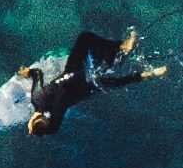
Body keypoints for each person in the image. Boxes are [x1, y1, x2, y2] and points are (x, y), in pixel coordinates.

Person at [18, 28, 168, 136]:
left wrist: (29, 73)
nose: (46, 119)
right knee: (88, 42)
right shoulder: (39, 101)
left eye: (43, 120)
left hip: (80, 81)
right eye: (44, 121)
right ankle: (131, 57)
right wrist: (28, 72)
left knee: (108, 75)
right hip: (77, 79)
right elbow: (37, 73)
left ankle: (130, 55)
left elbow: (38, 75)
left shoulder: (46, 110)